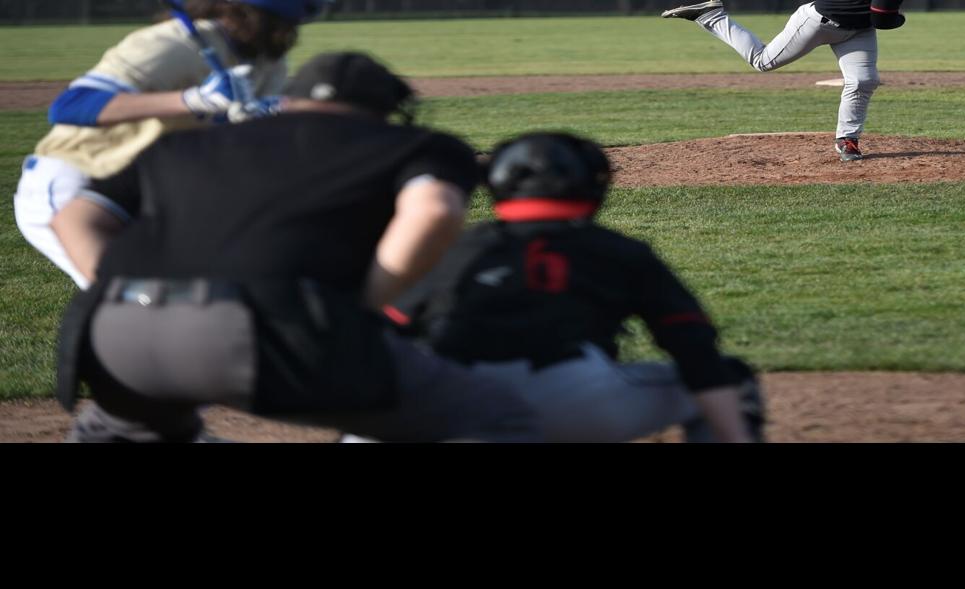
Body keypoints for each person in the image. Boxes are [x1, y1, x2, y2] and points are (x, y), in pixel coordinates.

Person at [49, 52, 539, 443]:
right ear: (385, 108)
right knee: (495, 418)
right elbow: (434, 209)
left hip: (112, 334)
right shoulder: (413, 144)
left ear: (288, 100)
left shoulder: (184, 145)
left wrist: (117, 286)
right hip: (264, 329)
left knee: (129, 432)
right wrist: (365, 302)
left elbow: (73, 215)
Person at [381, 132, 765, 443]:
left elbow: (382, 334)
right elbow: (693, 348)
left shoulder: (454, 248)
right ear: (590, 187)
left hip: (454, 403)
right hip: (577, 404)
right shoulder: (619, 251)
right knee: (734, 377)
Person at [14, 0, 322, 290]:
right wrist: (191, 100)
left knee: (196, 293)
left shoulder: (269, 61)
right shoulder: (172, 44)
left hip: (146, 190)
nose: (291, 30)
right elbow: (72, 106)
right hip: (76, 183)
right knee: (126, 299)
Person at [659, 0, 907, 162]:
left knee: (863, 80)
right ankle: (712, 15)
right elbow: (883, 20)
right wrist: (899, 19)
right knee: (763, 61)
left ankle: (848, 140)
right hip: (817, 23)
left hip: (859, 31)